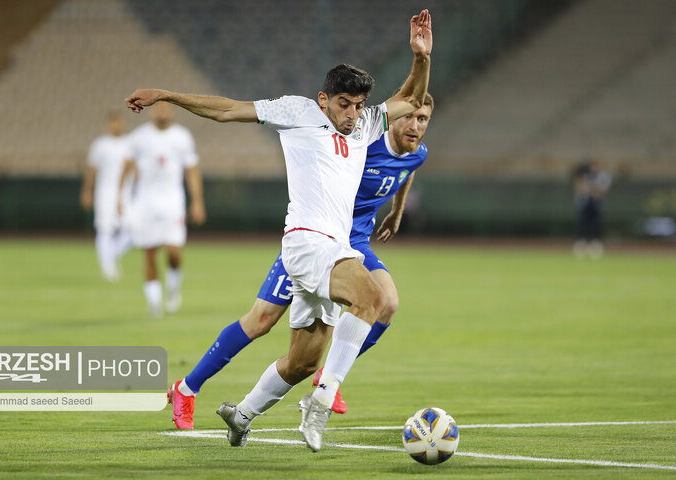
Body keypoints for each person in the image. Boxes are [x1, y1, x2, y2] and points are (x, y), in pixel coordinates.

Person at [125, 9, 431, 452]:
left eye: (358, 105)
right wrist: (167, 95)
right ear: (324, 99)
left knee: (303, 361)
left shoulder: (365, 125)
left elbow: (409, 98)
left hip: (336, 247)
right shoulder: (298, 112)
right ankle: (321, 402)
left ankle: (242, 413)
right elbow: (229, 110)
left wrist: (421, 57)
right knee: (375, 299)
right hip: (307, 243)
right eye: (343, 104)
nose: (351, 114)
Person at [166, 92, 434, 431]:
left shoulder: (417, 153)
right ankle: (186, 388)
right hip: (315, 240)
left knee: (387, 302)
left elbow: (406, 171)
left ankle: (328, 378)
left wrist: (396, 212)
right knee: (260, 321)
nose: (414, 124)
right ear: (394, 117)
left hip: (353, 246)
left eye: (422, 119)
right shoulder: (365, 141)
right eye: (409, 116)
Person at [118, 102, 207, 316]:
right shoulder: (139, 137)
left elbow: (192, 170)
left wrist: (197, 201)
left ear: (172, 111)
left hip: (172, 202)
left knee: (174, 252)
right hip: (145, 202)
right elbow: (127, 167)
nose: (162, 112)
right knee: (149, 252)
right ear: (151, 111)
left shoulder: (182, 137)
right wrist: (121, 197)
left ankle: (173, 288)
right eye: (158, 108)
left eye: (166, 108)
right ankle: (155, 303)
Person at [80, 112, 133, 282]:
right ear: (108, 124)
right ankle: (107, 266)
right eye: (113, 123)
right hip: (105, 191)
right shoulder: (100, 145)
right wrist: (87, 191)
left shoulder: (130, 143)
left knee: (132, 229)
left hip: (127, 191)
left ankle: (110, 257)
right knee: (105, 228)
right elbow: (91, 170)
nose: (116, 126)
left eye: (119, 122)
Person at [573, 158, 611, 259]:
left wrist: (591, 188)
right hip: (585, 204)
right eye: (592, 166)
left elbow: (602, 190)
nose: (593, 168)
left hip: (596, 204)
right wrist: (591, 189)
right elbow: (580, 188)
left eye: (595, 166)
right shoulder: (585, 176)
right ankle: (581, 244)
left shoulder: (603, 176)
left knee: (596, 225)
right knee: (582, 225)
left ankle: (596, 245)